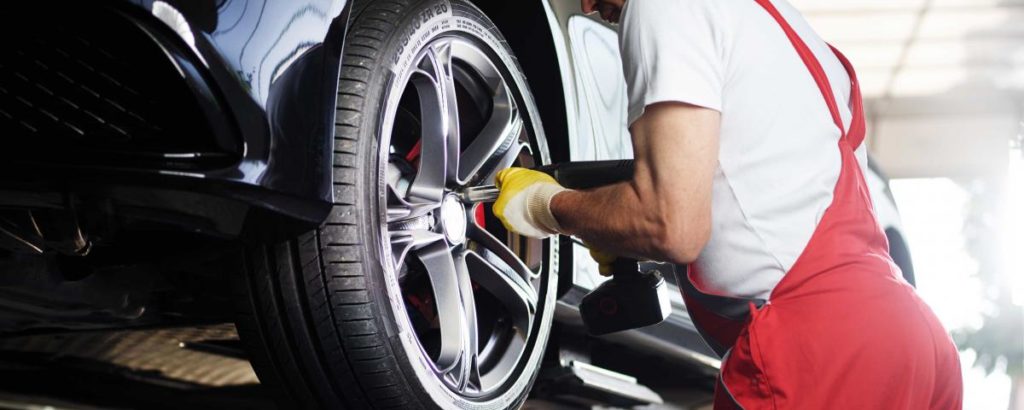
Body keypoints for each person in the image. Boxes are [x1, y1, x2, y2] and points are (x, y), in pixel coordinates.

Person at [492, 0, 964, 408]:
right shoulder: (780, 24)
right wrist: (615, 220)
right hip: (918, 346)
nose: (589, 7)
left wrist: (546, 205)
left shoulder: (663, 8)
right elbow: (755, 192)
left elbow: (672, 226)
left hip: (824, 348)